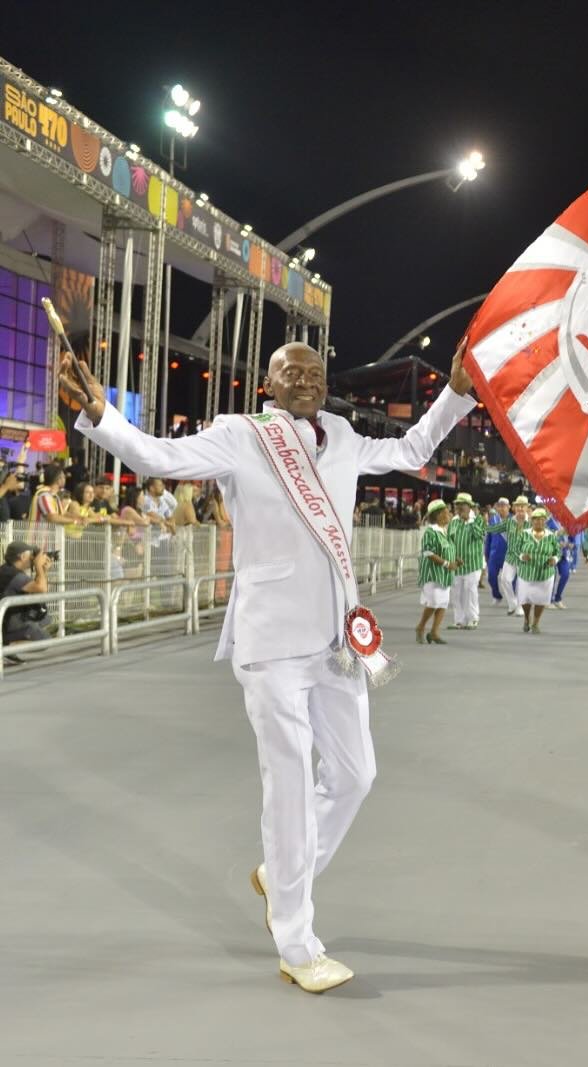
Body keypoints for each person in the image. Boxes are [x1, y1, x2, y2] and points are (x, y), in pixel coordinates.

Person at [61, 336, 477, 993]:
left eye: (314, 371)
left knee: (357, 774)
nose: (306, 379)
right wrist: (102, 413)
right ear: (268, 383)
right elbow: (159, 455)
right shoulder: (238, 434)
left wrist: (455, 392)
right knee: (288, 786)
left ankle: (284, 869)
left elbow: (412, 450)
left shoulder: (340, 432)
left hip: (338, 640)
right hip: (272, 640)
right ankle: (296, 940)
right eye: (292, 371)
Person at [0, 541, 53, 652]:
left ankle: (8, 645)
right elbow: (42, 588)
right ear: (23, 556)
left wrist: (43, 571)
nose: (33, 558)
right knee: (45, 641)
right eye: (31, 555)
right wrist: (38, 565)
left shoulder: (7, 570)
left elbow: (38, 592)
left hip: (9, 617)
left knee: (46, 619)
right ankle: (6, 648)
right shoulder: (14, 576)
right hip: (9, 622)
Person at [415, 499, 454, 645]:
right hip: (433, 573)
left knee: (443, 603)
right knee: (433, 602)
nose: (449, 514)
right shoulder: (431, 531)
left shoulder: (445, 531)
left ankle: (434, 632)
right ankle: (420, 627)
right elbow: (427, 552)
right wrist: (445, 563)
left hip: (445, 574)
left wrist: (455, 560)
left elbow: (448, 549)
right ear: (438, 515)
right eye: (446, 512)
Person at [445, 492, 485, 630]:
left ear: (469, 507)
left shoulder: (478, 520)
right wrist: (452, 557)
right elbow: (449, 541)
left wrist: (470, 520)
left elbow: (480, 535)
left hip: (473, 564)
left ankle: (473, 618)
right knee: (456, 592)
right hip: (457, 564)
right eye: (458, 504)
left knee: (470, 590)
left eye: (462, 505)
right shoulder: (454, 521)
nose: (459, 507)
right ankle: (459, 620)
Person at [516, 507, 560, 634]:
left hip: (544, 573)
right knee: (525, 598)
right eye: (535, 519)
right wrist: (522, 556)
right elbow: (516, 550)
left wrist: (554, 559)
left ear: (545, 521)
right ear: (531, 521)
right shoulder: (524, 534)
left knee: (541, 599)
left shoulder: (551, 536)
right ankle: (526, 618)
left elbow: (558, 552)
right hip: (526, 572)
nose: (538, 522)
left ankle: (535, 623)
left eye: (541, 520)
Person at [484, 497, 511, 608]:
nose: (502, 508)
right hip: (494, 555)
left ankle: (513, 599)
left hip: (508, 556)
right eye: (499, 506)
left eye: (504, 506)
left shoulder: (513, 520)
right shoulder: (493, 520)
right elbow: (488, 538)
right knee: (491, 577)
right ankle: (497, 596)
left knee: (510, 580)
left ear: (509, 507)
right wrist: (486, 554)